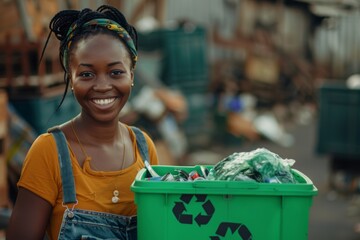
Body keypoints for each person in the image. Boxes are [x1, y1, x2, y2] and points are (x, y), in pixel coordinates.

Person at [6, 5, 159, 240]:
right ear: (71, 77)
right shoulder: (49, 152)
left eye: (115, 72)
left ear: (132, 76)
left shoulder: (144, 148)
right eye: (87, 74)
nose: (102, 85)